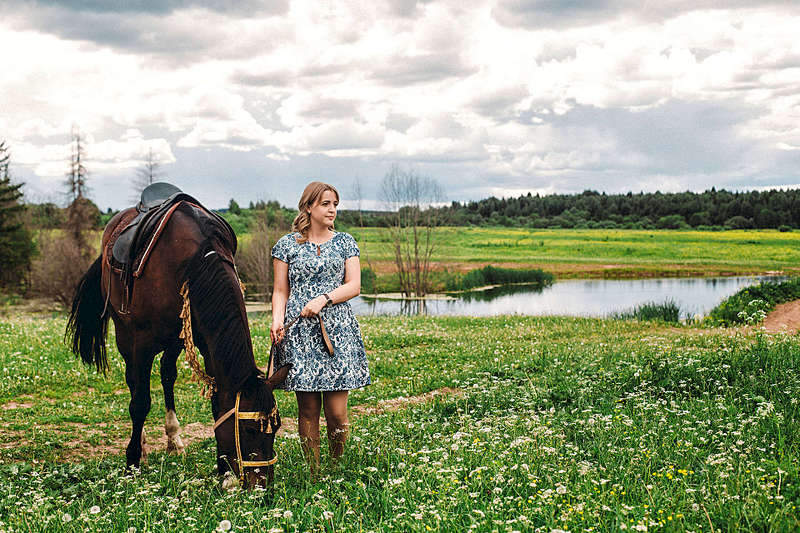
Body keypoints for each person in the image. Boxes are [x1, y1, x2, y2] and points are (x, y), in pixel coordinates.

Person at [270, 181, 370, 472]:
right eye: (326, 204)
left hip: (337, 331)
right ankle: (313, 473)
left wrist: (324, 299)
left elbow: (354, 285)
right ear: (309, 207)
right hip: (299, 333)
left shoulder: (345, 242)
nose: (332, 210)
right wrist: (277, 320)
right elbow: (280, 291)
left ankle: (336, 469)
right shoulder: (286, 245)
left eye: (335, 204)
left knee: (337, 413)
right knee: (308, 411)